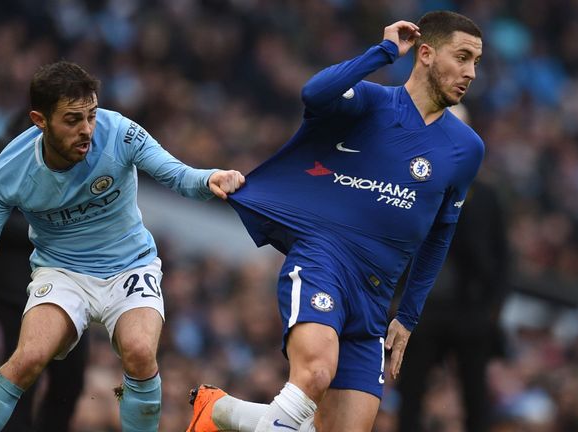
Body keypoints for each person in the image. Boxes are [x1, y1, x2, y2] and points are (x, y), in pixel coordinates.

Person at [186, 10, 484, 432]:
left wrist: (409, 314)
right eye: (463, 57)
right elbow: (315, 93)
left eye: (476, 61)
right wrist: (382, 52)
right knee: (314, 373)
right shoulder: (371, 102)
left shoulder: (467, 148)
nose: (471, 72)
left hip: (376, 298)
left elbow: (441, 232)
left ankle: (219, 412)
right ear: (426, 54)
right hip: (324, 262)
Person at [0, 61, 245, 431]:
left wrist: (209, 177)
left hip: (130, 266)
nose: (86, 130)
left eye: (91, 115)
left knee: (140, 352)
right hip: (62, 272)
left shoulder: (120, 134)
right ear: (40, 120)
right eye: (72, 120)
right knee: (28, 358)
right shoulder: (8, 172)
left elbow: (177, 174)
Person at [0, 110, 89, 432]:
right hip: (16, 285)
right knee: (24, 374)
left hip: (68, 286)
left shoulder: (71, 162)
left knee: (71, 378)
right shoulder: (4, 154)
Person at [396, 176, 509, 432]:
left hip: (470, 308)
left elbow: (501, 253)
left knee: (474, 391)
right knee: (411, 388)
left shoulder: (484, 195)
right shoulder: (423, 186)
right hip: (424, 309)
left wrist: (494, 304)